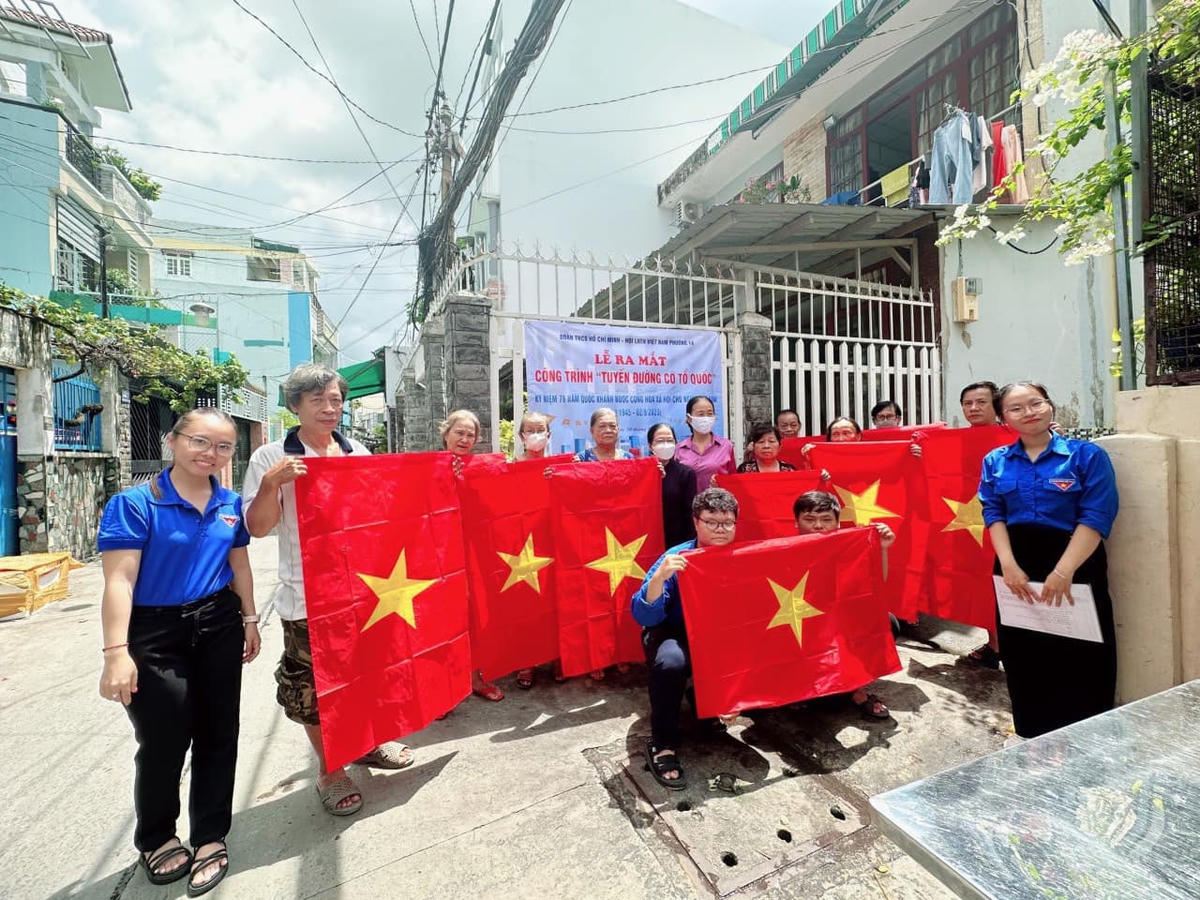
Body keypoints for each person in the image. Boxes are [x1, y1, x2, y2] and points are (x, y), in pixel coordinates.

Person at [98, 407, 260, 895]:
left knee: (218, 734)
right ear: (172, 441)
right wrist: (115, 652)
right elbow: (119, 581)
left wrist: (250, 619)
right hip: (154, 631)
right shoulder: (135, 503)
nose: (210, 453)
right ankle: (157, 836)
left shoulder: (229, 503)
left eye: (223, 446)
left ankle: (211, 835)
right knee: (163, 738)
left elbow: (240, 566)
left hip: (218, 624)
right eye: (200, 442)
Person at [244, 364, 414, 819]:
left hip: (364, 591)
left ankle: (369, 743)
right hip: (307, 597)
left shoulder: (354, 450)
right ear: (295, 405)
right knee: (314, 690)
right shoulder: (271, 457)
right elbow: (257, 528)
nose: (329, 408)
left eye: (336, 399)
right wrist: (270, 484)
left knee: (369, 672)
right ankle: (330, 769)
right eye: (317, 400)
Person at [979, 382, 1119, 739]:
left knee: (1082, 652)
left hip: (1075, 561)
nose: (1029, 412)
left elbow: (1096, 516)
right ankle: (1034, 737)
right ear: (1003, 417)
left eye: (1036, 403)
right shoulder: (995, 461)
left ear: (1050, 405)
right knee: (1025, 654)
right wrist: (1008, 564)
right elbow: (993, 513)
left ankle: (1087, 740)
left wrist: (1064, 570)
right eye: (1016, 408)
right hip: (1016, 565)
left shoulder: (1086, 456)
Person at [631, 488, 740, 789]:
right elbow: (644, 616)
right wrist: (658, 579)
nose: (721, 529)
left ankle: (711, 702)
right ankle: (662, 742)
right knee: (670, 662)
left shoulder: (744, 558)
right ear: (696, 522)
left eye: (727, 523)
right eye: (712, 522)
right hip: (674, 633)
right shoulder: (675, 559)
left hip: (721, 634)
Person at [792, 491, 893, 719]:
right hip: (803, 623)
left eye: (826, 519)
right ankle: (797, 689)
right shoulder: (782, 550)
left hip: (839, 621)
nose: (818, 525)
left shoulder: (851, 545)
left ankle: (856, 687)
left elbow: (876, 584)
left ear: (838, 522)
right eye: (809, 519)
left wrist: (883, 548)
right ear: (796, 522)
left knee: (887, 622)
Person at [440, 409, 506, 701]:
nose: (465, 439)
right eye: (459, 433)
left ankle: (476, 677)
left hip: (474, 555)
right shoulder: (426, 467)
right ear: (446, 434)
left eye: (471, 434)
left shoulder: (482, 468)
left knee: (475, 616)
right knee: (443, 620)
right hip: (439, 554)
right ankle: (445, 689)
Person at [513, 411, 562, 689]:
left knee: (555, 601)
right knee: (526, 603)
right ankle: (527, 661)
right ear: (521, 436)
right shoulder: (511, 466)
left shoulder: (561, 465)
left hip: (554, 541)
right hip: (522, 546)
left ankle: (557, 656)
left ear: (549, 434)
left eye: (540, 429)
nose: (535, 434)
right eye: (529, 430)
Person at [957, 381, 1004, 668]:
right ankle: (993, 644)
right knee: (981, 582)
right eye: (967, 403)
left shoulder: (1015, 436)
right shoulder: (956, 440)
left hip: (1007, 524)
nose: (973, 408)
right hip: (969, 524)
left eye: (981, 402)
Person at [648, 423, 698, 548]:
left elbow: (689, 514)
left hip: (676, 541)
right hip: (646, 539)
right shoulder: (640, 472)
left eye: (670, 440)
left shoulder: (686, 473)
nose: (665, 444)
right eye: (660, 441)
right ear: (650, 445)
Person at [675, 395, 736, 490]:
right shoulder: (679, 449)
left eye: (710, 413)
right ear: (689, 418)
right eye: (701, 414)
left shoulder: (726, 446)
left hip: (717, 502)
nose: (706, 418)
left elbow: (733, 480)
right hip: (688, 503)